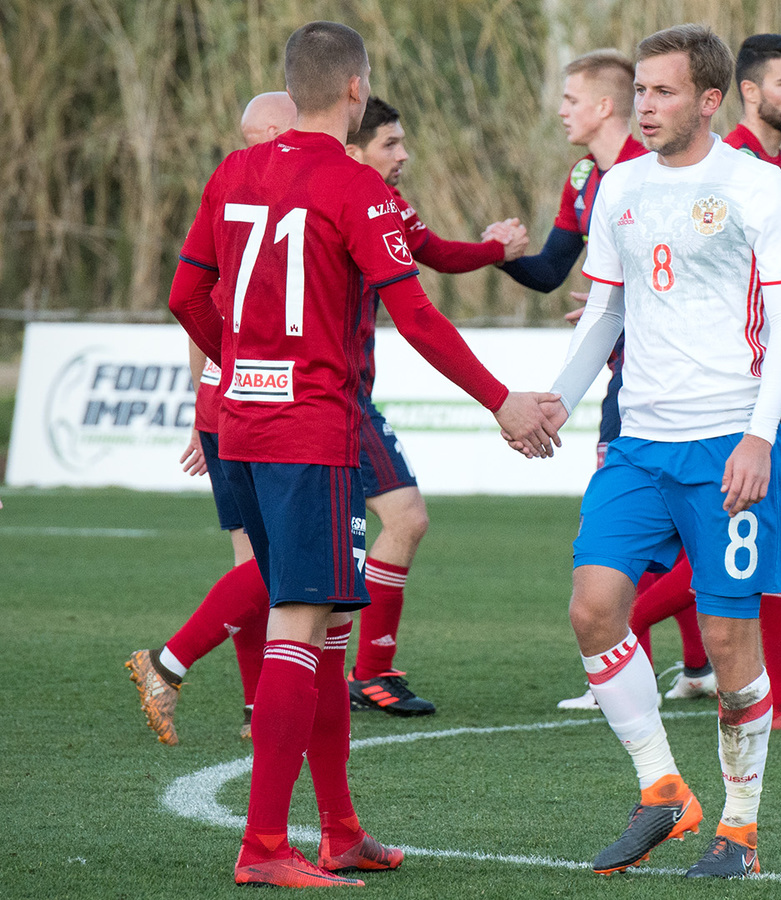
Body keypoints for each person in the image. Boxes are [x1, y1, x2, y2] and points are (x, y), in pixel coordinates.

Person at [168, 20, 556, 886]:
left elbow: (185, 293)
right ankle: (264, 846)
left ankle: (340, 831)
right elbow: (414, 315)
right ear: (355, 88)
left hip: (242, 426)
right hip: (312, 431)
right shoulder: (355, 186)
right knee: (301, 624)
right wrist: (501, 400)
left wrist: (241, 362)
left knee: (327, 630)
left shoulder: (232, 172)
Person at [534, 25, 781, 878]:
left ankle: (740, 831)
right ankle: (663, 789)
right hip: (640, 442)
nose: (645, 107)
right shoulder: (619, 185)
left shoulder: (756, 184)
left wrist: (760, 435)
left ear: (709, 100)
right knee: (593, 609)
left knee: (730, 648)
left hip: (730, 441)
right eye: (640, 91)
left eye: (662, 92)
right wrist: (561, 397)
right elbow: (606, 310)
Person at [618, 33, 781, 732]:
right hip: (731, 392)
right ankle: (627, 625)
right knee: (734, 542)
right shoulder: (722, 169)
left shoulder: (780, 172)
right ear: (746, 93)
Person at [493, 51, 712, 710]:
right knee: (650, 527)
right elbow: (551, 270)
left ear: (605, 106)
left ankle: (623, 658)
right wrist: (499, 256)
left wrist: (621, 303)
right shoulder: (587, 177)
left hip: (685, 383)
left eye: (570, 99)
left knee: (650, 532)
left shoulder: (661, 172)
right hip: (624, 377)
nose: (561, 110)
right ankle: (695, 666)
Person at [343, 96, 530, 716]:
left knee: (304, 543)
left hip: (334, 393)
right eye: (390, 144)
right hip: (336, 396)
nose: (404, 154)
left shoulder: (383, 202)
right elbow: (418, 315)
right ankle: (366, 672)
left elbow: (434, 251)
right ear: (353, 149)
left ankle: (313, 678)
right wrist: (499, 399)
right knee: (402, 520)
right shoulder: (360, 200)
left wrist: (493, 252)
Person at [126, 92, 296, 747]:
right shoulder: (264, 192)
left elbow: (195, 300)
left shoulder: (239, 188)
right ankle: (170, 661)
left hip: (232, 401)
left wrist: (210, 399)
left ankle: (258, 708)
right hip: (257, 403)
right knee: (286, 560)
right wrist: (215, 395)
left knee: (254, 562)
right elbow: (195, 300)